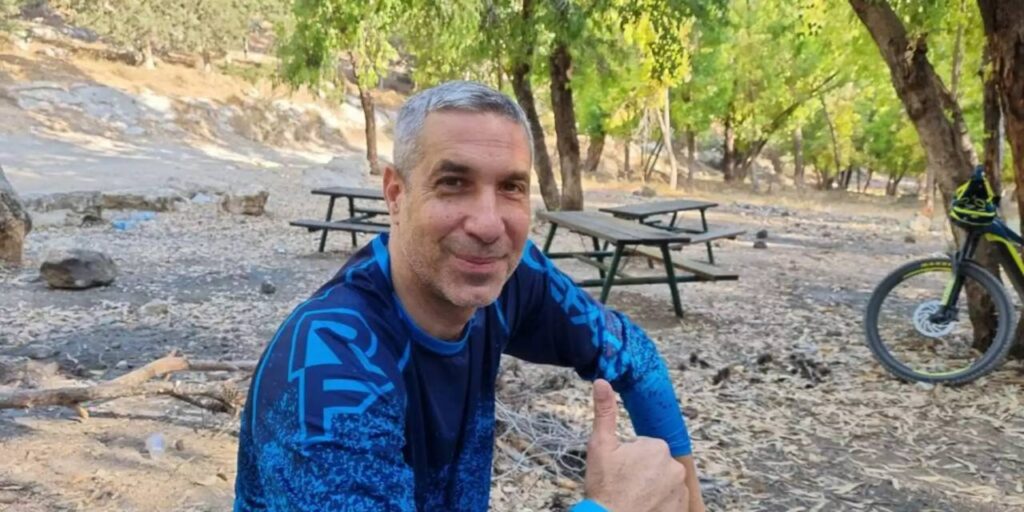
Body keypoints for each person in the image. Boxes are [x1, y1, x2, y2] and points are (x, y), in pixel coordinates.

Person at [234, 80, 706, 512]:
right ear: (395, 194)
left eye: (511, 187)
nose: (487, 225)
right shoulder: (330, 365)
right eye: (453, 183)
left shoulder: (512, 279)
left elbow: (637, 357)